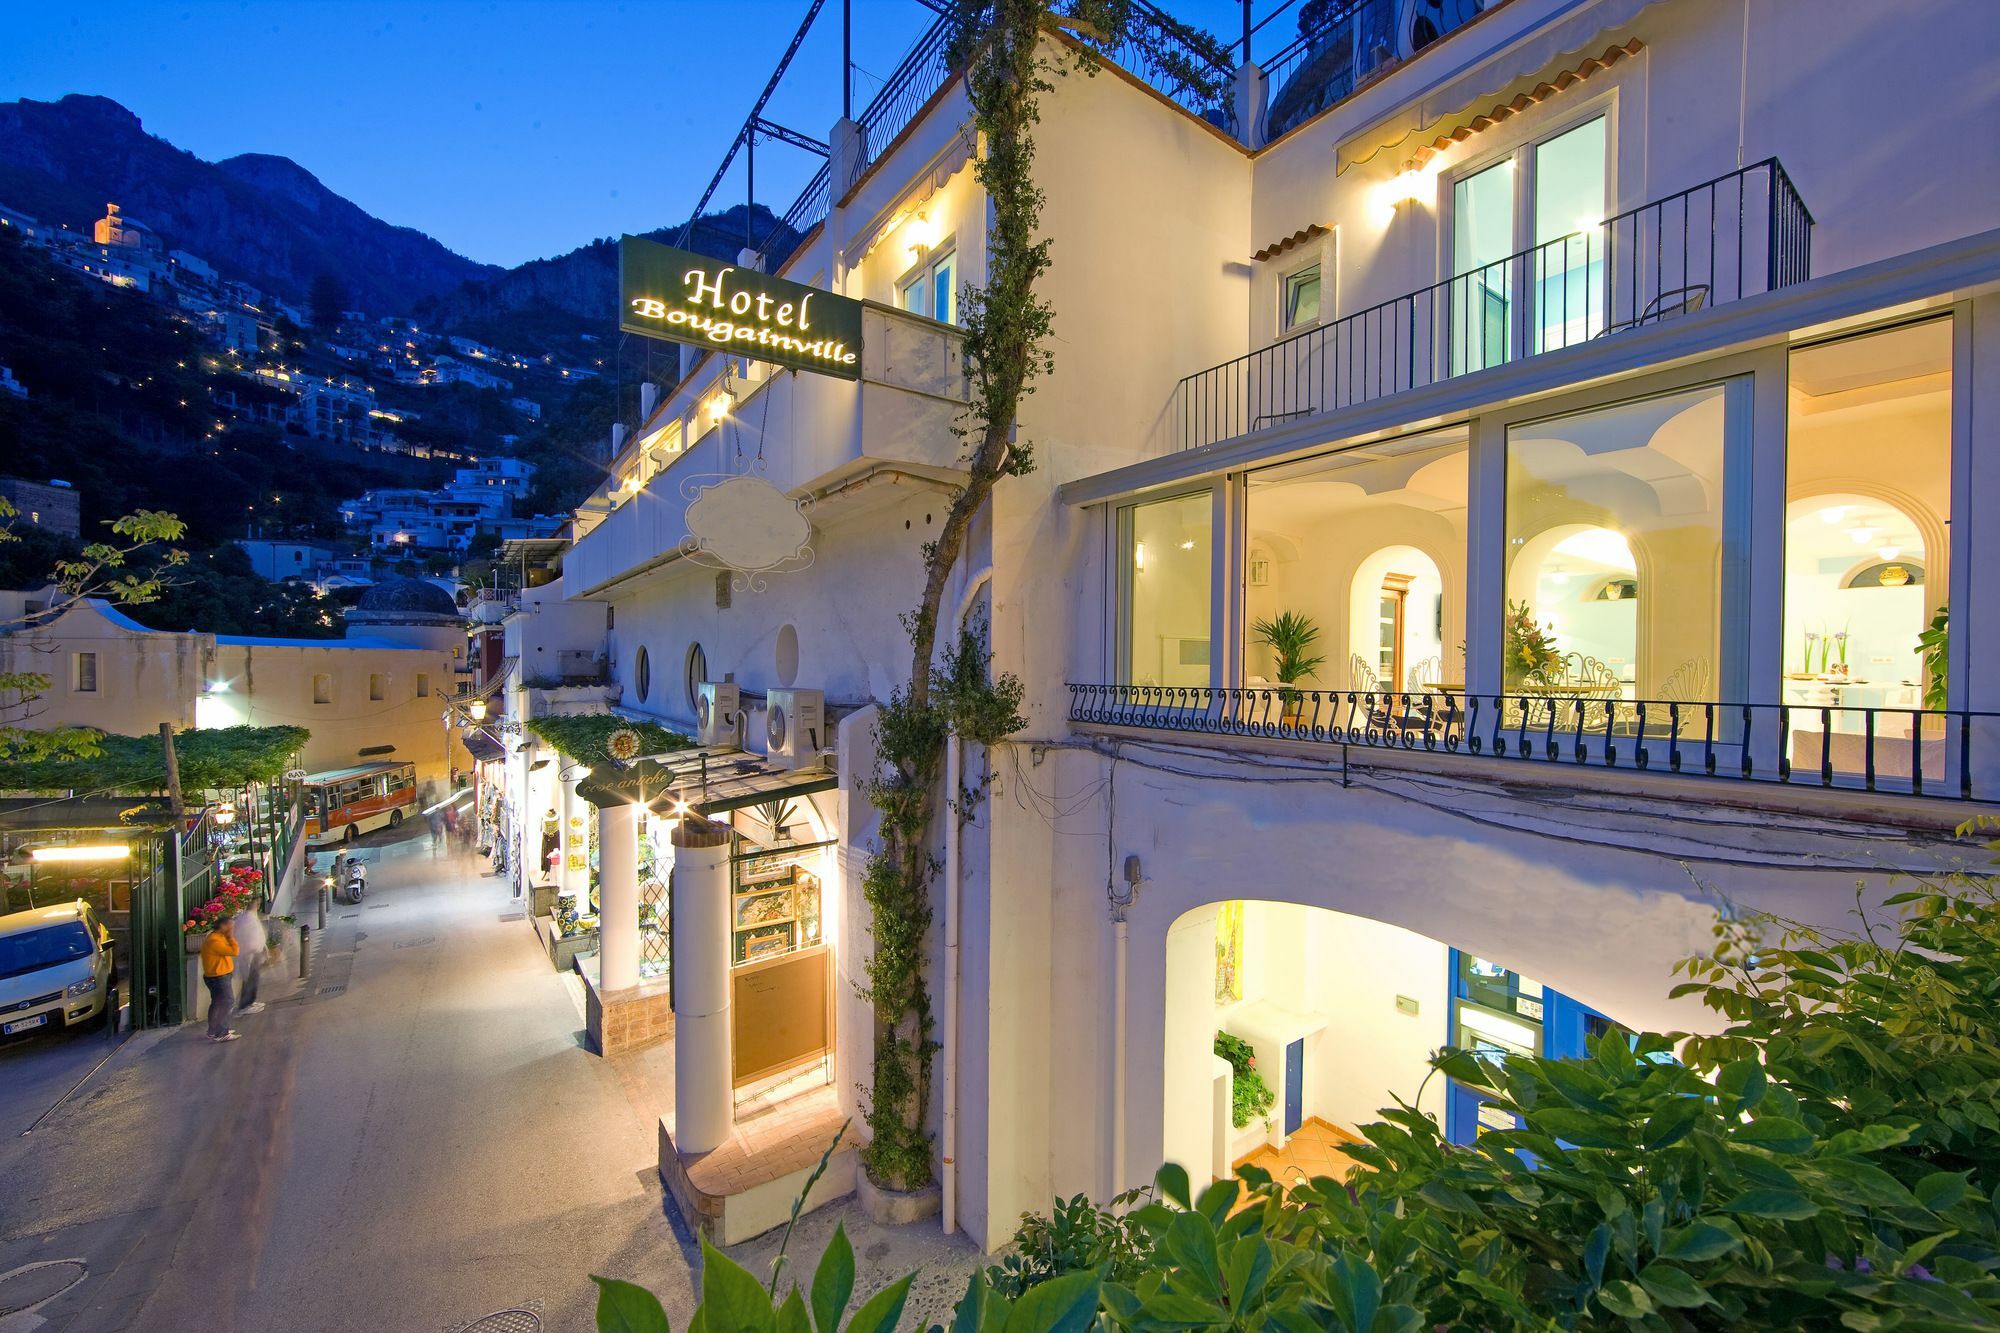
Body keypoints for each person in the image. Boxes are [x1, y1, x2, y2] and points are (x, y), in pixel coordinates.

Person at [200, 918, 240, 1042]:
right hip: (218, 977)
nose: (232, 929)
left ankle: (213, 1030)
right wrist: (231, 937)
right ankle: (222, 1032)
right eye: (230, 926)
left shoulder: (216, 937)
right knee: (227, 1002)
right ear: (223, 926)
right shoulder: (215, 940)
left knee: (217, 1003)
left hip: (217, 975)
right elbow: (234, 951)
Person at [232, 904, 268, 1015]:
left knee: (253, 979)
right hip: (250, 955)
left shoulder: (245, 918)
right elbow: (251, 939)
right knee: (250, 979)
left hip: (251, 954)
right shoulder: (248, 919)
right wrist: (259, 949)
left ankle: (250, 1002)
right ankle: (245, 1005)